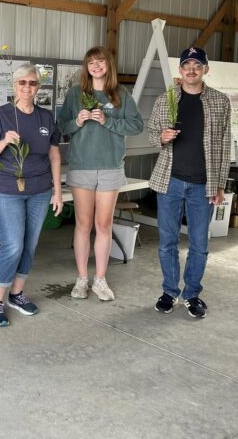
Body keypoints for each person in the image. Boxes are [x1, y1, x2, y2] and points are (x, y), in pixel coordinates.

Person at [147, 47, 231, 318]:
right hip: (169, 181)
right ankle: (170, 292)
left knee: (199, 244)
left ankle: (192, 294)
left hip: (203, 185)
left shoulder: (220, 101)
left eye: (197, 65)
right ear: (180, 70)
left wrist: (219, 184)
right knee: (167, 241)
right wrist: (162, 136)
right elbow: (151, 134)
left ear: (206, 69)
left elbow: (224, 145)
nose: (191, 70)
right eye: (187, 65)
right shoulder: (166, 99)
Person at [0, 63, 63, 327]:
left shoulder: (45, 117)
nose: (27, 87)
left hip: (39, 190)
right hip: (6, 189)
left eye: (33, 83)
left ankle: (17, 294)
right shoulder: (0, 115)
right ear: (14, 85)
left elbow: (54, 154)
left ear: (38, 87)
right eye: (22, 83)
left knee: (29, 244)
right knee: (12, 244)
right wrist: (4, 141)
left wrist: (58, 192)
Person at [58, 46, 143, 301]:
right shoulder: (75, 94)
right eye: (91, 62)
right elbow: (61, 126)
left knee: (103, 224)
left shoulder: (120, 93)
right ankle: (82, 278)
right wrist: (78, 121)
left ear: (108, 65)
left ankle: (100, 280)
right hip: (81, 166)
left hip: (110, 167)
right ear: (86, 67)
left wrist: (108, 121)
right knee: (83, 224)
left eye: (101, 61)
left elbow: (136, 124)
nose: (96, 66)